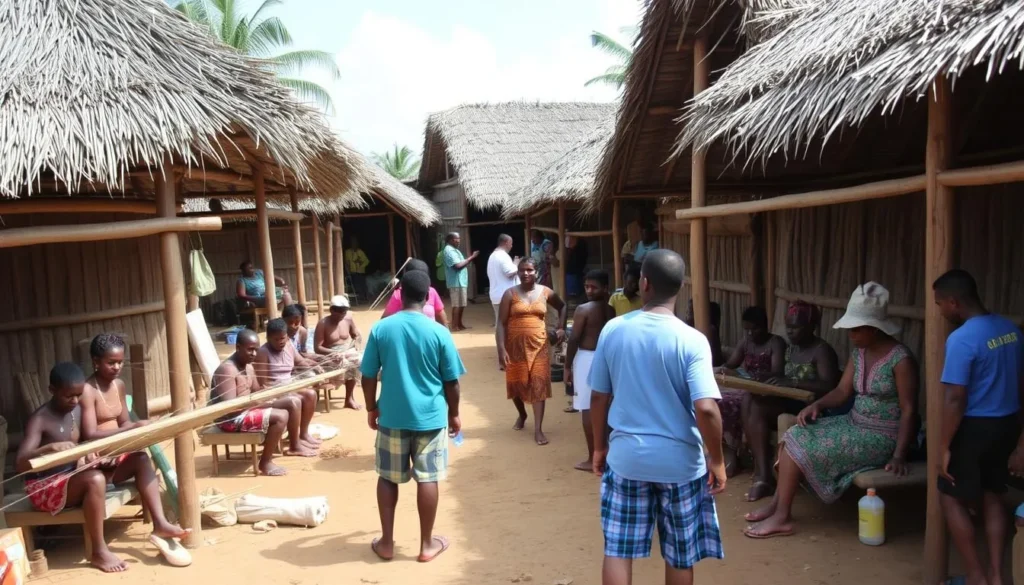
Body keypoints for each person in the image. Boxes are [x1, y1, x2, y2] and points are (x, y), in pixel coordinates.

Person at [589, 249, 726, 585]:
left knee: (618, 550)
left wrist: (599, 447)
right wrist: (718, 459)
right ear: (680, 287)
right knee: (680, 555)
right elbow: (707, 408)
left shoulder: (613, 330)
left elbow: (598, 397)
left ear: (644, 283)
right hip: (681, 465)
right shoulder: (693, 340)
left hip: (627, 460)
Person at [744, 282, 918, 538]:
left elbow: (909, 410)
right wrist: (817, 405)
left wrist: (899, 455)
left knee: (802, 445)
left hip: (882, 437)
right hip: (854, 423)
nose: (850, 335)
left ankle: (782, 516)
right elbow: (841, 391)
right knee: (794, 435)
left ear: (873, 328)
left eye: (855, 329)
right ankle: (777, 506)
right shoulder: (859, 353)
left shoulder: (900, 359)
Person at [18, 362, 188, 573]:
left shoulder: (76, 410)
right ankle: (98, 551)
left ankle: (160, 524)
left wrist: (94, 454)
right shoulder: (40, 419)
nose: (75, 401)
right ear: (52, 390)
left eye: (78, 395)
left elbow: (86, 441)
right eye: (68, 396)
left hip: (75, 474)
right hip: (45, 487)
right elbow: (21, 462)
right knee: (95, 479)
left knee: (140, 460)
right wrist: (48, 448)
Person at [360, 270, 466, 563]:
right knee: (428, 478)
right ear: (428, 295)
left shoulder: (382, 329)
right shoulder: (439, 332)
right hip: (430, 418)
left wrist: (371, 407)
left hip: (391, 416)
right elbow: (452, 382)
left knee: (387, 477)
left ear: (400, 293)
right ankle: (427, 545)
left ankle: (386, 543)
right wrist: (455, 414)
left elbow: (367, 376)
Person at [934, 269, 1023, 585]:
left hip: (974, 429)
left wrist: (944, 446)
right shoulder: (1010, 330)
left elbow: (955, 398)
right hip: (1007, 425)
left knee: (950, 497)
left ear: (954, 302)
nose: (940, 311)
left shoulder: (961, 339)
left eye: (939, 304)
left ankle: (975, 576)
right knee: (993, 495)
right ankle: (997, 576)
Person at [742, 301, 840, 502]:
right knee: (748, 398)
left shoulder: (822, 351)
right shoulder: (791, 349)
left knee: (758, 408)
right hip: (791, 401)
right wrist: (765, 378)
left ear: (812, 327)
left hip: (813, 408)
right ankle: (761, 470)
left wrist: (794, 382)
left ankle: (765, 477)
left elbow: (830, 386)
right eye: (788, 326)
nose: (790, 331)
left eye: (796, 327)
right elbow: (781, 375)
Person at [211, 329, 304, 475]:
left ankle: (295, 445)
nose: (254, 354)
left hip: (247, 408)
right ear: (238, 347)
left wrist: (272, 393)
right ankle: (265, 463)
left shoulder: (248, 366)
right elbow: (230, 408)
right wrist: (259, 403)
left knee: (292, 402)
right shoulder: (227, 370)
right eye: (250, 349)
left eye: (256, 350)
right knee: (281, 416)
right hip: (230, 420)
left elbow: (256, 391)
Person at [497, 257, 568, 446]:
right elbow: (501, 324)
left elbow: (562, 307)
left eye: (529, 270)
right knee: (516, 383)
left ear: (537, 272)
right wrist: (501, 349)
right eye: (522, 270)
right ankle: (522, 414)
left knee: (538, 384)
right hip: (515, 347)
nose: (525, 273)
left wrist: (561, 328)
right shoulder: (509, 294)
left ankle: (538, 429)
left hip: (540, 345)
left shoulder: (545, 292)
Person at [715, 306, 788, 476]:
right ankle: (729, 451)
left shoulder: (776, 343)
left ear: (764, 326)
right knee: (718, 400)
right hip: (745, 386)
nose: (750, 333)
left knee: (731, 402)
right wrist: (725, 370)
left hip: (765, 391)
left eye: (754, 329)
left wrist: (744, 375)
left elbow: (777, 373)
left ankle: (742, 451)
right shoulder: (745, 342)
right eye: (746, 329)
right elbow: (731, 364)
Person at [565, 270, 615, 472]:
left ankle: (591, 456)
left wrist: (567, 366)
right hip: (606, 358)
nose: (589, 290)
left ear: (605, 288)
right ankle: (608, 454)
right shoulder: (611, 310)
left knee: (586, 407)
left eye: (593, 287)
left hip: (586, 358)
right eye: (586, 286)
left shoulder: (583, 309)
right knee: (606, 407)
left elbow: (574, 339)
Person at [254, 318, 324, 451]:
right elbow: (263, 384)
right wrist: (282, 391)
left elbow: (300, 362)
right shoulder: (263, 352)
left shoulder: (289, 345)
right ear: (268, 338)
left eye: (283, 338)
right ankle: (294, 444)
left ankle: (303, 434)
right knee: (294, 401)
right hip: (273, 392)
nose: (280, 342)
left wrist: (315, 367)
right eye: (276, 339)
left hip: (289, 386)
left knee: (311, 394)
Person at [80, 334, 149, 443]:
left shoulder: (119, 385)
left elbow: (124, 422)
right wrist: (131, 428)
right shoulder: (88, 390)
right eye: (111, 363)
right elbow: (90, 434)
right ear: (96, 362)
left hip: (120, 443)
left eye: (120, 362)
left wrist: (139, 426)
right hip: (99, 447)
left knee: (141, 451)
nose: (117, 367)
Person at [313, 295, 364, 410]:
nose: (341, 315)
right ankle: (346, 395)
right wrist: (333, 352)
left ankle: (349, 398)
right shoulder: (323, 323)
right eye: (339, 312)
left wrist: (357, 338)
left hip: (347, 351)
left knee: (359, 360)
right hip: (330, 355)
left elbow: (354, 334)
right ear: (332, 310)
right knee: (345, 362)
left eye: (344, 312)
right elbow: (317, 348)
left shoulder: (348, 319)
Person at [381, 259, 449, 328]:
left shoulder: (432, 291)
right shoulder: (399, 293)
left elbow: (440, 314)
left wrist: (446, 331)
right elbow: (385, 319)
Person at [442, 232, 479, 332]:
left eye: (459, 239)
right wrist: (472, 257)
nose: (458, 241)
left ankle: (459, 324)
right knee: (457, 304)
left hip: (460, 281)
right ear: (450, 240)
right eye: (456, 239)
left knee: (462, 304)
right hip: (455, 282)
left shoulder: (455, 250)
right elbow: (457, 266)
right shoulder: (449, 251)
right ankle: (454, 326)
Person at [487, 234, 520, 328]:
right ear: (506, 242)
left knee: (500, 324)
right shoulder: (502, 256)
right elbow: (510, 272)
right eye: (511, 244)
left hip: (497, 294)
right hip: (504, 295)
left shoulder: (493, 255)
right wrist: (516, 263)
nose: (511, 246)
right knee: (507, 325)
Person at [684, 299, 725, 367]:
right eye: (687, 311)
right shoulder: (688, 327)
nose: (687, 314)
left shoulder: (709, 329)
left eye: (690, 312)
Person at [345, 236, 370, 303]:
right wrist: (348, 271)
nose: (354, 244)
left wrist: (360, 266)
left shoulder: (360, 252)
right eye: (352, 242)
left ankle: (363, 298)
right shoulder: (347, 252)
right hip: (352, 272)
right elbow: (347, 262)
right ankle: (358, 299)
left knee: (362, 285)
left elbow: (367, 261)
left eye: (355, 242)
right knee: (355, 286)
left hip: (360, 272)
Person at [564, 235, 589, 300]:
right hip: (575, 272)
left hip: (573, 273)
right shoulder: (581, 245)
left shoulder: (579, 247)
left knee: (573, 296)